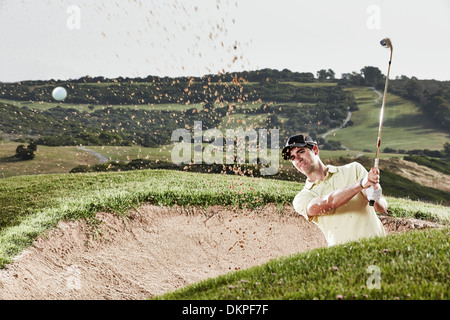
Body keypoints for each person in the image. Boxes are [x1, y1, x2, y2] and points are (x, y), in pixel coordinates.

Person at [282, 134, 387, 246]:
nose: (297, 159)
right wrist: (360, 184)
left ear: (315, 150)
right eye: (292, 158)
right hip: (343, 256)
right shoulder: (301, 198)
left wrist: (375, 195)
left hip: (377, 246)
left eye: (301, 152)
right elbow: (329, 202)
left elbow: (381, 207)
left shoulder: (353, 169)